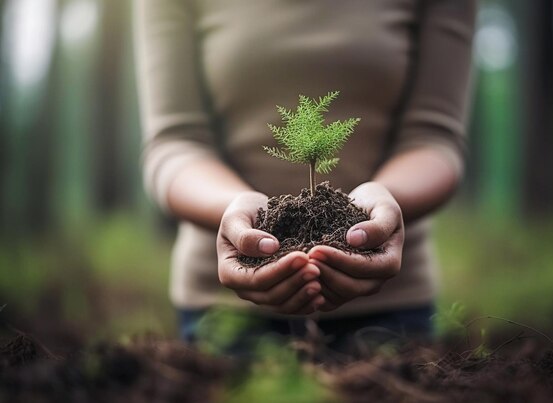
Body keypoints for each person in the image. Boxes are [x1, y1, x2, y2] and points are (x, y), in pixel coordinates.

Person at [134, 0, 476, 354]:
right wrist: (234, 212)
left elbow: (434, 139)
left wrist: (382, 201)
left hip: (390, 307)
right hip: (226, 309)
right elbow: (175, 143)